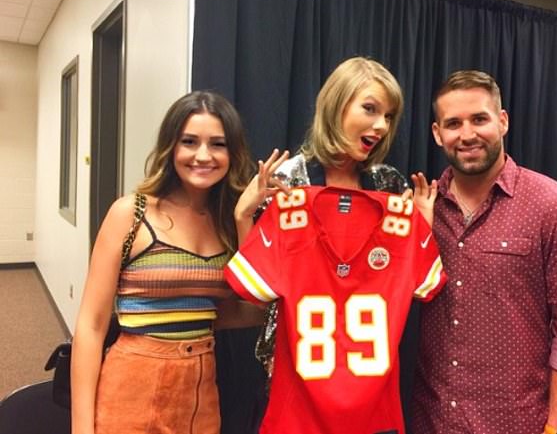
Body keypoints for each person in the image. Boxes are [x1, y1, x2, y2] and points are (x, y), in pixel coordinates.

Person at [226, 56, 446, 433]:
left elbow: (403, 283)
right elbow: (259, 285)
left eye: (389, 116)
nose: (380, 125)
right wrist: (243, 217)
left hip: (367, 375)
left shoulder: (387, 183)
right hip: (296, 369)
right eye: (370, 108)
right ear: (336, 105)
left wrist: (421, 228)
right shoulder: (289, 178)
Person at [410, 70, 557, 434]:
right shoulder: (421, 210)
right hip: (430, 420)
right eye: (453, 123)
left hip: (518, 425)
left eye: (479, 119)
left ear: (502, 122)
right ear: (438, 134)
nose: (467, 134)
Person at [70, 91, 264, 434]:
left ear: (231, 153)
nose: (203, 155)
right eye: (190, 141)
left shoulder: (226, 223)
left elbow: (233, 309)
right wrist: (81, 428)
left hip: (200, 391)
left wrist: (293, 305)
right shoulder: (132, 213)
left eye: (217, 144)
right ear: (171, 147)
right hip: (134, 384)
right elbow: (91, 325)